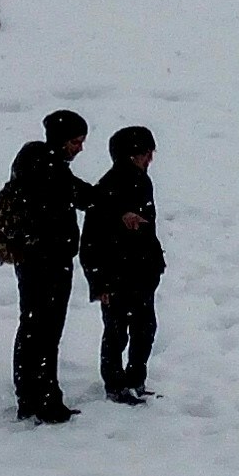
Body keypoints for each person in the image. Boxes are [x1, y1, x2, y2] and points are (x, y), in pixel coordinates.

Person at [0, 109, 101, 423]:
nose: (80, 148)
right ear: (60, 140)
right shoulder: (49, 170)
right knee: (45, 331)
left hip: (33, 260)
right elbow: (83, 196)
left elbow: (80, 195)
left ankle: (30, 397)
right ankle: (46, 400)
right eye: (76, 141)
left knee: (33, 328)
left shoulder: (35, 164)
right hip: (47, 262)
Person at [84, 124, 164, 405]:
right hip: (120, 274)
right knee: (122, 332)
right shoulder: (111, 187)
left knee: (138, 329)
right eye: (145, 153)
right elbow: (92, 241)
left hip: (137, 272)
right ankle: (120, 384)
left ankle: (131, 381)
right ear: (132, 155)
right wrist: (100, 281)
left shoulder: (140, 182)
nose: (149, 159)